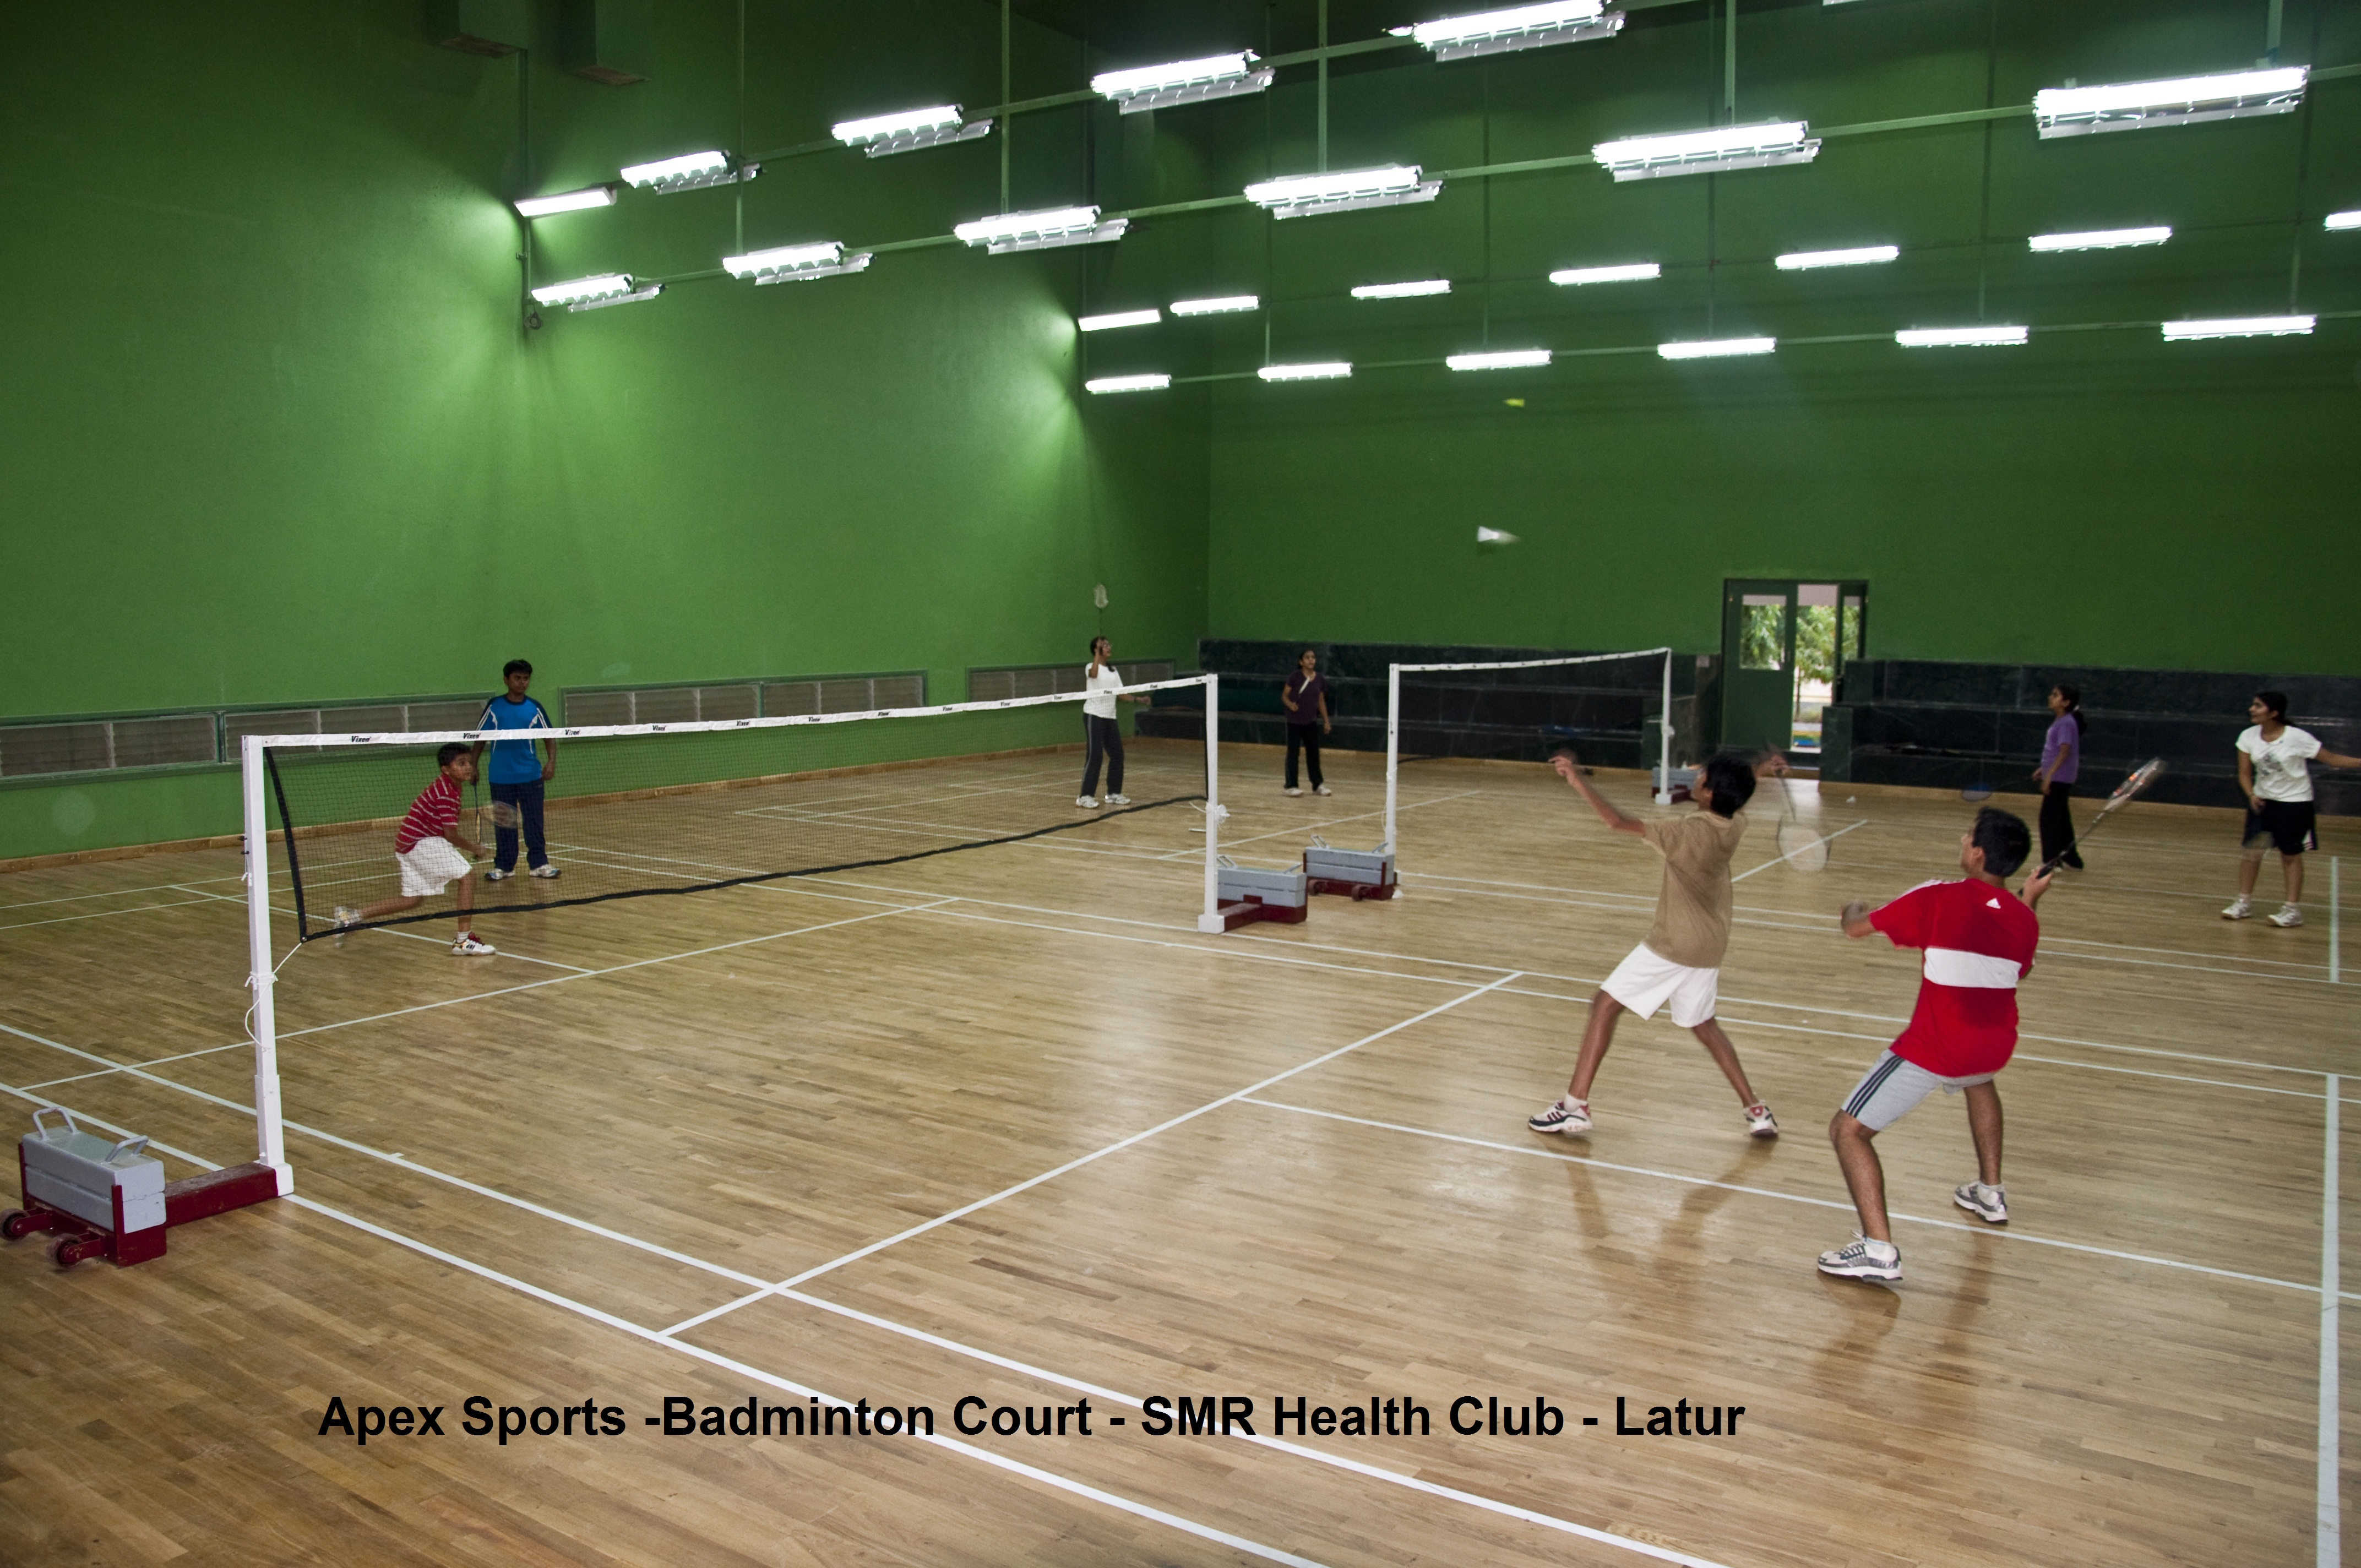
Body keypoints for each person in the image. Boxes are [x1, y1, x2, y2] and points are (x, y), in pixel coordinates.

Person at [1817, 807, 2053, 1282]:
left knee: (1847, 1131)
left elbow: (1857, 929)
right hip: (1993, 1046)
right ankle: (1990, 1193)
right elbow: (2019, 966)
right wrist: (2027, 900)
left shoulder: (1938, 897)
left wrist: (1852, 908)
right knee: (1979, 1081)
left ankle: (1878, 1250)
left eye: (1968, 836)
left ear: (1978, 853)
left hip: (1937, 1047)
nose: (1962, 839)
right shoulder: (2025, 920)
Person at [1527, 749, 1782, 1141]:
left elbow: (1617, 822)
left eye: (1703, 777)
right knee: (1703, 1025)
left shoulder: (1688, 832)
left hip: (1674, 944)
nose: (1696, 778)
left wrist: (1577, 779)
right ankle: (1757, 1111)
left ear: (1711, 793)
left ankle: (1574, 1107)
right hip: (1710, 945)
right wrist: (1759, 772)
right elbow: (1736, 790)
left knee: (1604, 1005)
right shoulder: (1735, 824)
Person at [333, 744, 497, 956]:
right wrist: (476, 848)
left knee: (412, 900)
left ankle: (351, 917)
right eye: (461, 763)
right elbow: (451, 835)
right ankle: (463, 942)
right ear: (446, 770)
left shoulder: (450, 786)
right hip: (421, 842)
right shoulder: (447, 792)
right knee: (468, 878)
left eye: (470, 763)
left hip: (408, 843)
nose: (468, 767)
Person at [2223, 691, 2361, 928]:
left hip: (2295, 804)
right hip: (2263, 804)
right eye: (2253, 705)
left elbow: (2332, 759)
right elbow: (2245, 774)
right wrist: (2252, 794)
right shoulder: (2248, 736)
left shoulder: (2298, 738)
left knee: (2290, 856)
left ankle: (2292, 910)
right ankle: (2243, 902)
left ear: (2274, 713)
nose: (2252, 710)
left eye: (2258, 706)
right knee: (2252, 853)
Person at [472, 658, 560, 882]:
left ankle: (539, 864)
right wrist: (473, 766)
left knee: (534, 822)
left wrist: (551, 762)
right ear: (506, 680)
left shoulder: (535, 707)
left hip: (530, 775)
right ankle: (504, 866)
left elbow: (549, 736)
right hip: (500, 777)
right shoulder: (494, 707)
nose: (522, 683)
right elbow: (479, 739)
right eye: (517, 678)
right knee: (505, 823)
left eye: (526, 679)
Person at [1078, 636, 1142, 809]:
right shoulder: (1091, 667)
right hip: (1094, 715)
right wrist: (1097, 655)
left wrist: (1138, 699)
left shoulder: (1114, 671)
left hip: (1110, 717)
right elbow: (1094, 675)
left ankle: (1113, 793)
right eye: (1104, 646)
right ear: (1097, 650)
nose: (1108, 647)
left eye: (1108, 645)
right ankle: (1085, 796)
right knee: (1095, 755)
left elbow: (1120, 694)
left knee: (1118, 754)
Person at [2033, 683, 2083, 871]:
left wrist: (2049, 777)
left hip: (2059, 779)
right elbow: (2055, 752)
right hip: (2059, 776)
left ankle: (2051, 862)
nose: (2050, 698)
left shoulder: (2066, 723)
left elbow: (2064, 752)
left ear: (2066, 702)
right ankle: (2072, 858)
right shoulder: (2063, 721)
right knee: (2061, 819)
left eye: (2055, 695)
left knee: (2049, 821)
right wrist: (2043, 769)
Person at [1281, 647, 1332, 797]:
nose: (1311, 660)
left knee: (1314, 754)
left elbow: (1321, 701)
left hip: (1311, 722)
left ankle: (1318, 785)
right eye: (1308, 657)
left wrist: (1326, 721)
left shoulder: (1320, 679)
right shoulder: (1295, 677)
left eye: (1313, 657)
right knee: (1293, 753)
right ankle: (1291, 786)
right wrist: (1291, 705)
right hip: (1294, 722)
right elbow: (1285, 696)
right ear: (1301, 662)